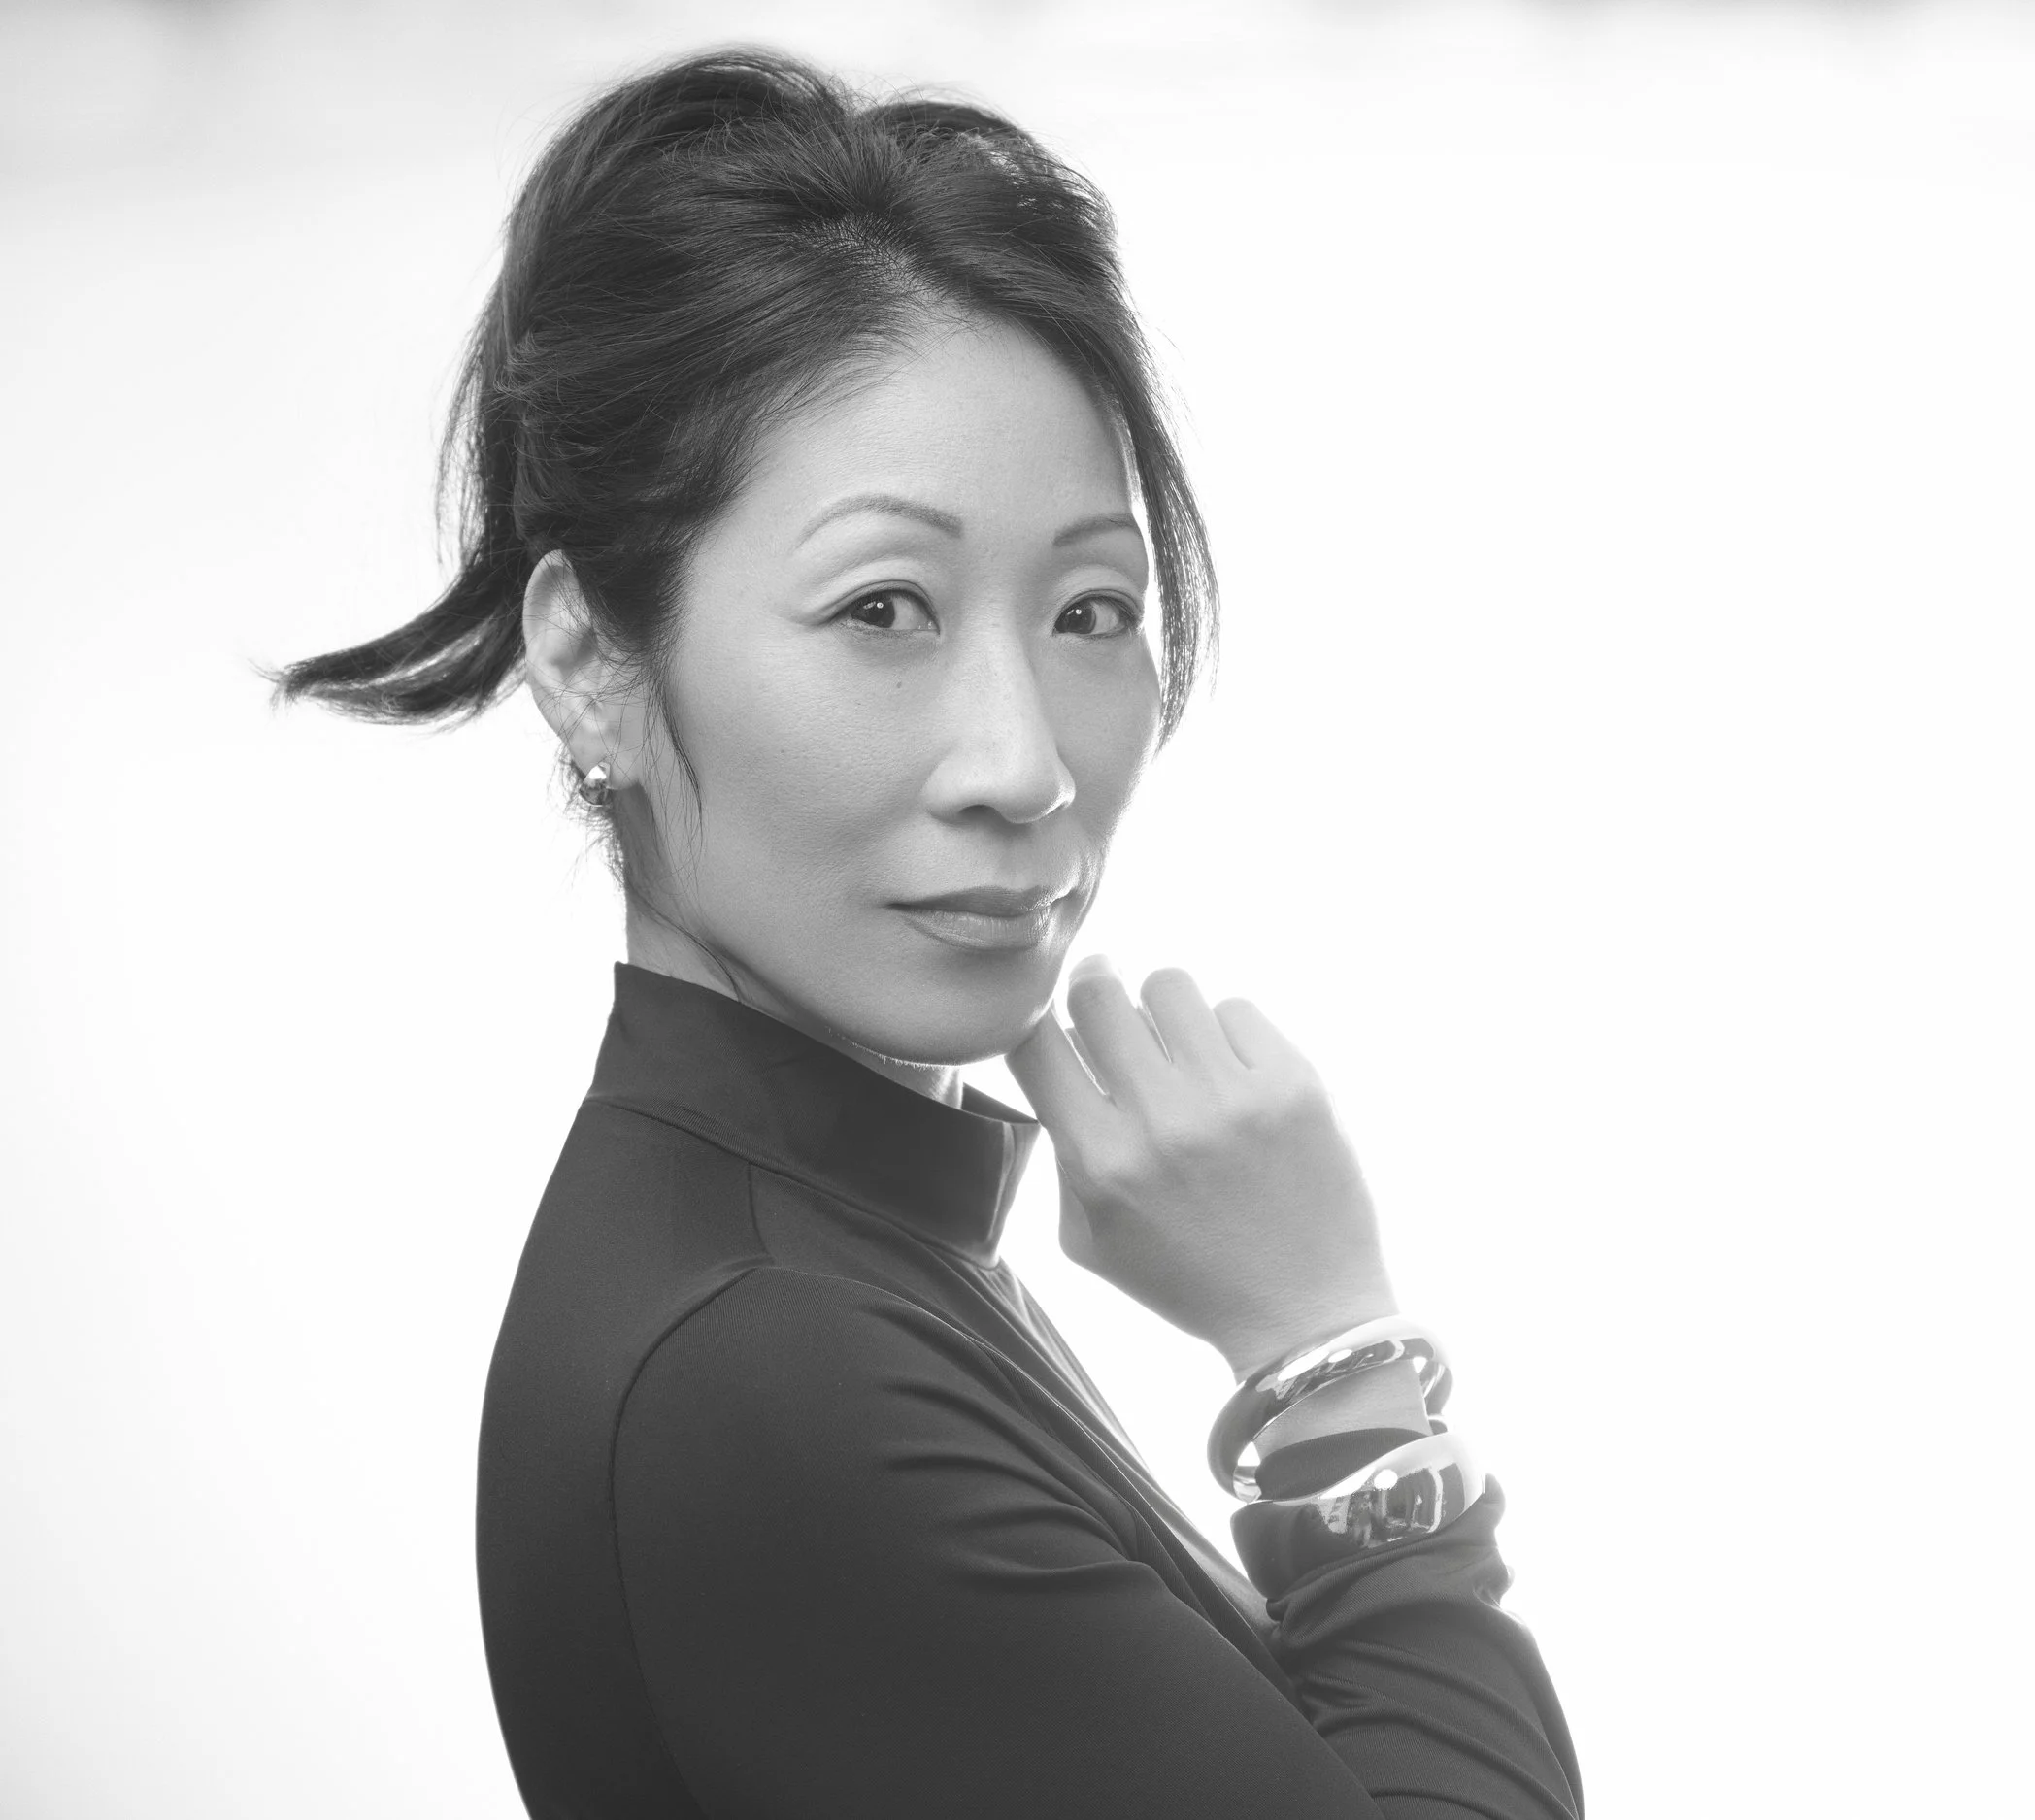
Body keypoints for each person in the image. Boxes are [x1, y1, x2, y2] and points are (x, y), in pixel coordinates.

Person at [272, 46, 1582, 1819]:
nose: (1026, 762)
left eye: (1092, 609)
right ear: (590, 658)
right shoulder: (763, 1368)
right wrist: (1328, 1354)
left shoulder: (827, 1243)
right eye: (884, 607)